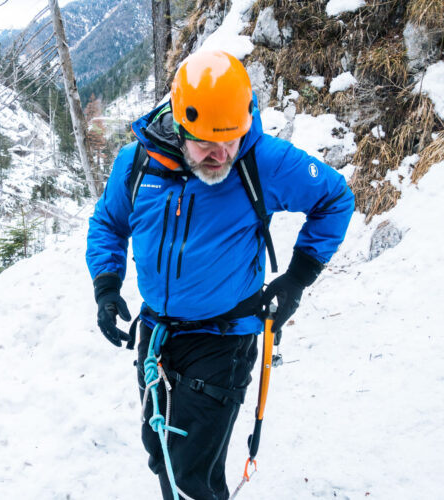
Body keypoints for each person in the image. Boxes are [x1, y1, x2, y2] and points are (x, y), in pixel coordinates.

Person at [86, 50, 354, 500]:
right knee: (160, 450)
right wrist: (106, 286)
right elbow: (109, 224)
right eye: (208, 143)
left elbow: (335, 199)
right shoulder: (136, 164)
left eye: (231, 139)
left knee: (190, 474)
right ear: (179, 124)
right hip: (157, 334)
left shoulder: (262, 161)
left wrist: (297, 279)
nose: (222, 154)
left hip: (224, 337)